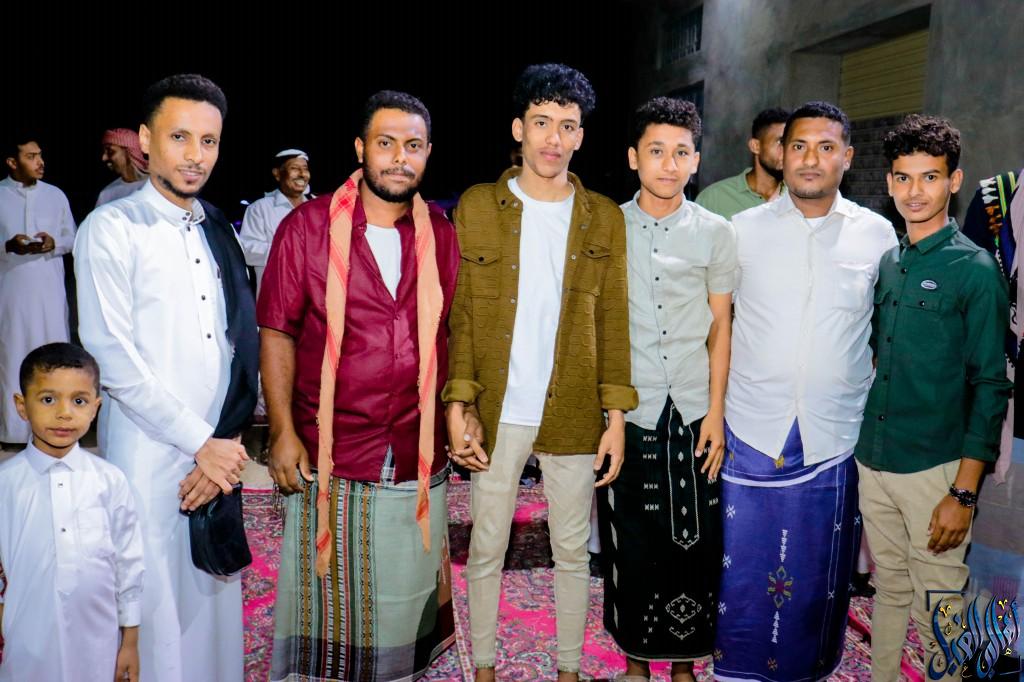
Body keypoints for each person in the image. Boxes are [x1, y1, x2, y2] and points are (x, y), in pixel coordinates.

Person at [443, 63, 637, 682]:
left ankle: (569, 671)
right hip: (498, 407)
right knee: (486, 547)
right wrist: (459, 404)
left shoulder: (603, 216)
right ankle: (484, 668)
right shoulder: (478, 206)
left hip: (573, 407)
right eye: (542, 122)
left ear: (581, 136)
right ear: (518, 129)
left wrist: (615, 417)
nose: (554, 138)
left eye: (568, 126)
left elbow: (613, 319)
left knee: (572, 552)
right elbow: (462, 315)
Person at [260, 90, 458, 682]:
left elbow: (449, 332)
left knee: (405, 590)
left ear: (428, 153)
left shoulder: (440, 232)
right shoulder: (307, 228)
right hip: (333, 447)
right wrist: (282, 432)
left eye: (413, 145)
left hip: (415, 444)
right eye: (386, 143)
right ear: (360, 149)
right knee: (331, 604)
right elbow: (277, 333)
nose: (400, 157)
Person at [74, 73, 257, 682]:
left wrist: (221, 444)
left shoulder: (217, 229)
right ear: (147, 140)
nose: (195, 154)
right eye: (180, 137)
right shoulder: (111, 228)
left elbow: (240, 343)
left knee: (211, 602)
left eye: (208, 141)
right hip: (150, 453)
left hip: (218, 451)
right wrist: (199, 442)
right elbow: (112, 357)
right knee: (152, 605)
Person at [714, 101, 898, 682]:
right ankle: (736, 671)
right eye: (798, 146)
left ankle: (808, 669)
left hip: (834, 433)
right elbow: (717, 325)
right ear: (780, 153)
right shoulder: (742, 231)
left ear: (848, 156)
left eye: (825, 147)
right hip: (751, 424)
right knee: (742, 569)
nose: (810, 159)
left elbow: (886, 330)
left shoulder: (877, 234)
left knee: (819, 572)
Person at [855, 114, 1012, 681]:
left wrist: (962, 494)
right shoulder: (890, 262)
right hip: (874, 460)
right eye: (903, 177)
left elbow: (991, 385)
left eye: (930, 177)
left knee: (940, 607)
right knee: (890, 589)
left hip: (935, 469)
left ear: (954, 181)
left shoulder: (975, 270)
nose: (915, 191)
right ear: (890, 182)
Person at [598, 96, 735, 682]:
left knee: (697, 541)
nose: (669, 163)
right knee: (631, 538)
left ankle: (684, 665)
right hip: (631, 411)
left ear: (696, 160)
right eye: (656, 151)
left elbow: (721, 325)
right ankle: (635, 662)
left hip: (695, 407)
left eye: (681, 152)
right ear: (634, 157)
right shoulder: (607, 227)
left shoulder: (716, 233)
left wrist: (717, 413)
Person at [0, 342, 144, 682]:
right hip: (28, 647)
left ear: (96, 407)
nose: (64, 413)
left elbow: (128, 563)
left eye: (78, 401)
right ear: (21, 406)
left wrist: (130, 643)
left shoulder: (109, 480)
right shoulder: (6, 483)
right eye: (48, 399)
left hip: (99, 646)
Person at [0, 135, 76, 445]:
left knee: (53, 356)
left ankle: (56, 429)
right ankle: (14, 433)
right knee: (12, 356)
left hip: (49, 293)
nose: (40, 162)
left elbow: (72, 238)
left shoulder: (55, 195)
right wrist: (8, 246)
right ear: (12, 162)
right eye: (31, 156)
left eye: (40, 155)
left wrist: (53, 243)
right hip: (11, 293)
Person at [239, 148, 311, 296]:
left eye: (305, 169)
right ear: (277, 174)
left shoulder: (317, 207)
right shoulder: (260, 208)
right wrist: (288, 251)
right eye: (294, 168)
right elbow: (247, 250)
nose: (302, 174)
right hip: (276, 298)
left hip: (313, 300)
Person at [695, 107, 789, 220]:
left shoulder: (800, 198)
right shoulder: (713, 199)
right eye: (781, 142)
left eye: (793, 144)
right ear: (756, 146)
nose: (788, 151)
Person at [96, 128, 149, 207]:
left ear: (128, 152)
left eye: (110, 151)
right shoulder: (106, 194)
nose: (104, 158)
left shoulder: (158, 185)